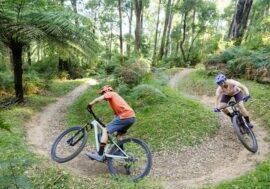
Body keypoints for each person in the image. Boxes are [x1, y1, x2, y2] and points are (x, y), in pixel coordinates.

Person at [86, 85, 136, 161]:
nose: (102, 95)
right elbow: (117, 117)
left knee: (105, 130)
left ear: (106, 91)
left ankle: (99, 154)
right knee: (119, 136)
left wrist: (90, 104)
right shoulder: (114, 99)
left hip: (125, 116)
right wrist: (110, 124)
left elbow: (98, 99)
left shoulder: (111, 94)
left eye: (103, 93)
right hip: (131, 117)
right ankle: (121, 151)